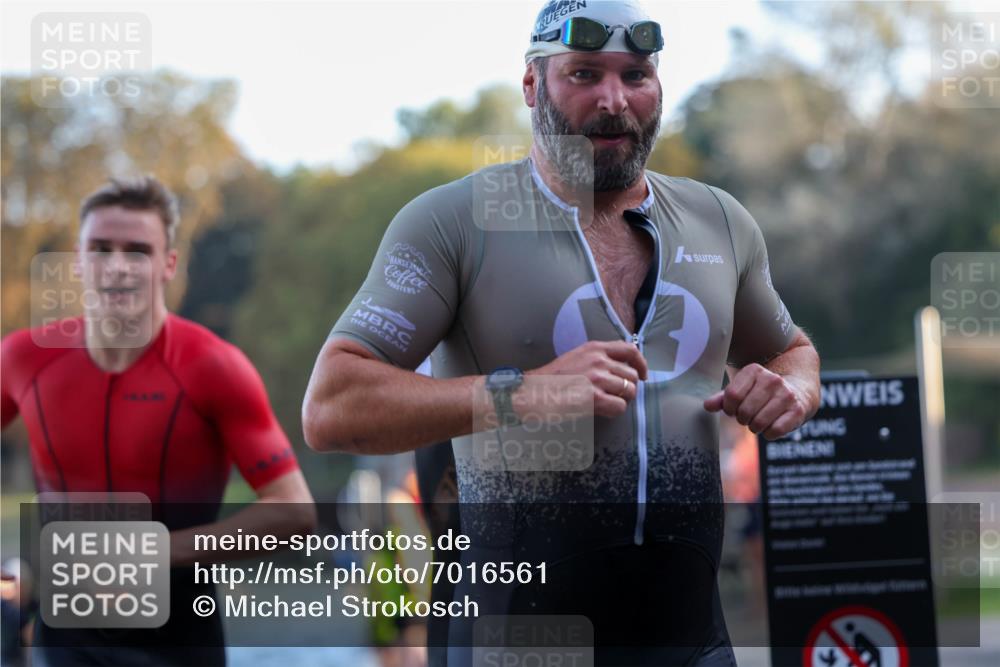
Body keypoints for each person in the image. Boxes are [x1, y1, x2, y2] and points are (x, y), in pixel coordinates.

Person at [303, 1, 820, 663]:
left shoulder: (719, 221)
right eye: (584, 74)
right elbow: (332, 405)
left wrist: (792, 390)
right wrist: (524, 394)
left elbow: (791, 351)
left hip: (692, 642)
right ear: (532, 85)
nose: (614, 100)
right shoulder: (454, 222)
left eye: (635, 75)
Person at [1, 175, 317, 666]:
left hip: (182, 641)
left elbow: (295, 513)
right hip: (64, 642)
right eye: (100, 249)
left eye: (138, 251)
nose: (117, 266)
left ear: (169, 264)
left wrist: (149, 554)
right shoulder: (23, 357)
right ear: (78, 260)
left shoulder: (213, 366)